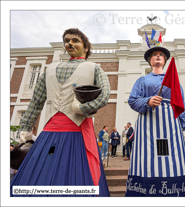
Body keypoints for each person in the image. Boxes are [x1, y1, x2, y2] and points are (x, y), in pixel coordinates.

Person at [10, 28, 110, 197]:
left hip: (78, 132)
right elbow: (36, 102)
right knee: (41, 173)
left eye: (75, 40)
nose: (70, 43)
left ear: (86, 47)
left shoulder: (94, 68)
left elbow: (105, 95)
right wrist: (26, 130)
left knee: (75, 173)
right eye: (67, 40)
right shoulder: (49, 69)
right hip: (49, 132)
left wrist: (83, 109)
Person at [124, 46, 185, 197]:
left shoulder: (174, 81)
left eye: (161, 55)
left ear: (165, 60)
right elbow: (132, 101)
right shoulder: (142, 80)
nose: (158, 56)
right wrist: (148, 100)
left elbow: (180, 105)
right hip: (148, 124)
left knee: (174, 157)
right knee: (147, 159)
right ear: (149, 61)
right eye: (154, 55)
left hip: (172, 123)